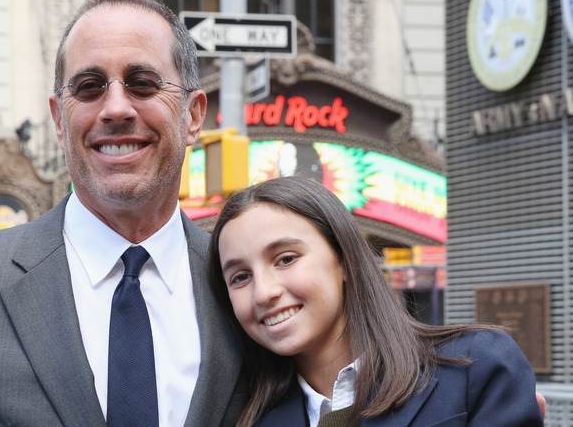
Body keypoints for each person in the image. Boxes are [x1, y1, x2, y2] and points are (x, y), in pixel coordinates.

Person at [0, 0, 245, 425]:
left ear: (194, 115)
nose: (116, 108)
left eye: (142, 83)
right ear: (57, 120)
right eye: (89, 87)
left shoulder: (243, 287)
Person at [208, 176, 544, 426]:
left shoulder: (478, 366)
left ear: (345, 261)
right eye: (240, 277)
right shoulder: (245, 416)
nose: (264, 292)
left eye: (286, 259)